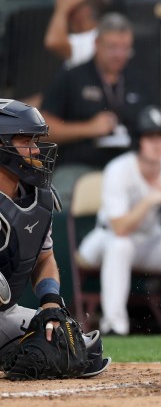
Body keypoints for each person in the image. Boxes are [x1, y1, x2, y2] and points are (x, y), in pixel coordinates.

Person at [76, 106, 161, 336]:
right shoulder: (118, 169)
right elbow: (119, 228)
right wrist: (149, 200)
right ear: (139, 140)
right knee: (120, 245)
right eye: (150, 137)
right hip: (106, 238)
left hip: (149, 239)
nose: (157, 143)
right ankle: (114, 325)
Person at [0, 99, 109, 378]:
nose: (36, 150)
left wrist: (50, 302)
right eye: (26, 141)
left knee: (77, 349)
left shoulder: (39, 198)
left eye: (35, 140)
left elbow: (45, 258)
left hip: (3, 314)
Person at [40, 12, 155, 207]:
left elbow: (153, 128)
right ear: (96, 44)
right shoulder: (72, 77)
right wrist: (88, 128)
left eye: (125, 48)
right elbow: (41, 128)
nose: (119, 54)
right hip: (78, 167)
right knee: (61, 199)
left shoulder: (139, 82)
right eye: (112, 47)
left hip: (128, 167)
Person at [44, 0, 111, 68]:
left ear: (86, 11)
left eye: (73, 3)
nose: (70, 7)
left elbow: (53, 42)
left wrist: (62, 8)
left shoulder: (93, 39)